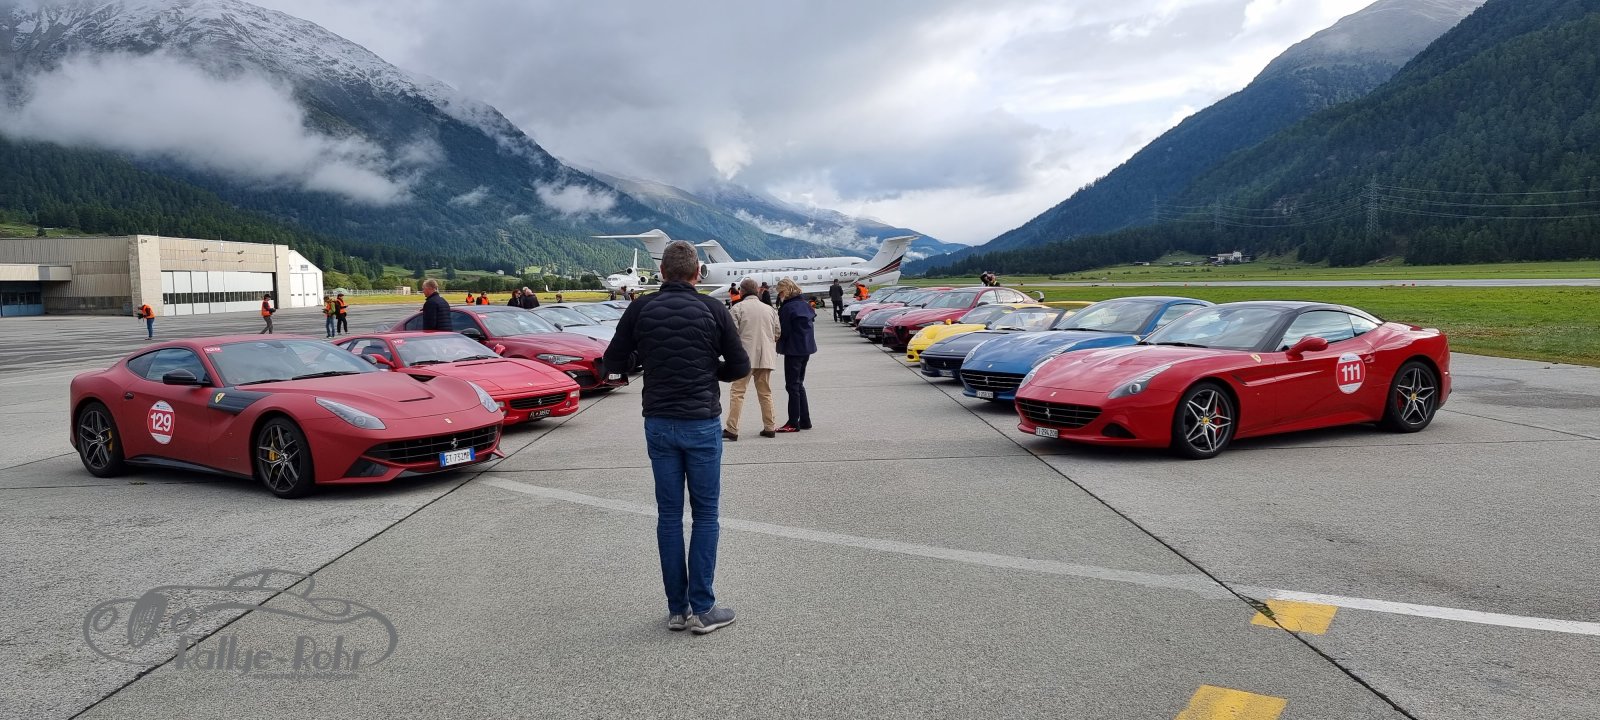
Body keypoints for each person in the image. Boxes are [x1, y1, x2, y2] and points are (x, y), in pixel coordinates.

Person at [601, 240, 749, 635]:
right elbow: (739, 366)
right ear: (697, 273)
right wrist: (709, 369)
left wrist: (647, 361)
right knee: (705, 514)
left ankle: (677, 610)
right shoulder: (713, 309)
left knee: (669, 515)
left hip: (660, 422)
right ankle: (703, 608)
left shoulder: (640, 308)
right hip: (700, 422)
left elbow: (613, 362)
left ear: (662, 272)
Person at [724, 278, 780, 442]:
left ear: (741, 291)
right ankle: (770, 427)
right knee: (765, 393)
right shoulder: (769, 309)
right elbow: (777, 332)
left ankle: (732, 428)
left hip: (744, 357)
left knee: (737, 393)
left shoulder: (737, 308)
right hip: (765, 357)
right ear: (757, 291)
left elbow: (731, 334)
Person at [775, 278, 816, 433]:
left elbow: (783, 331)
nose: (779, 296)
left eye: (780, 292)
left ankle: (793, 422)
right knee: (799, 384)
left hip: (793, 350)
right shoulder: (804, 305)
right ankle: (805, 420)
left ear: (785, 291)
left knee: (792, 386)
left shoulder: (788, 308)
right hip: (806, 348)